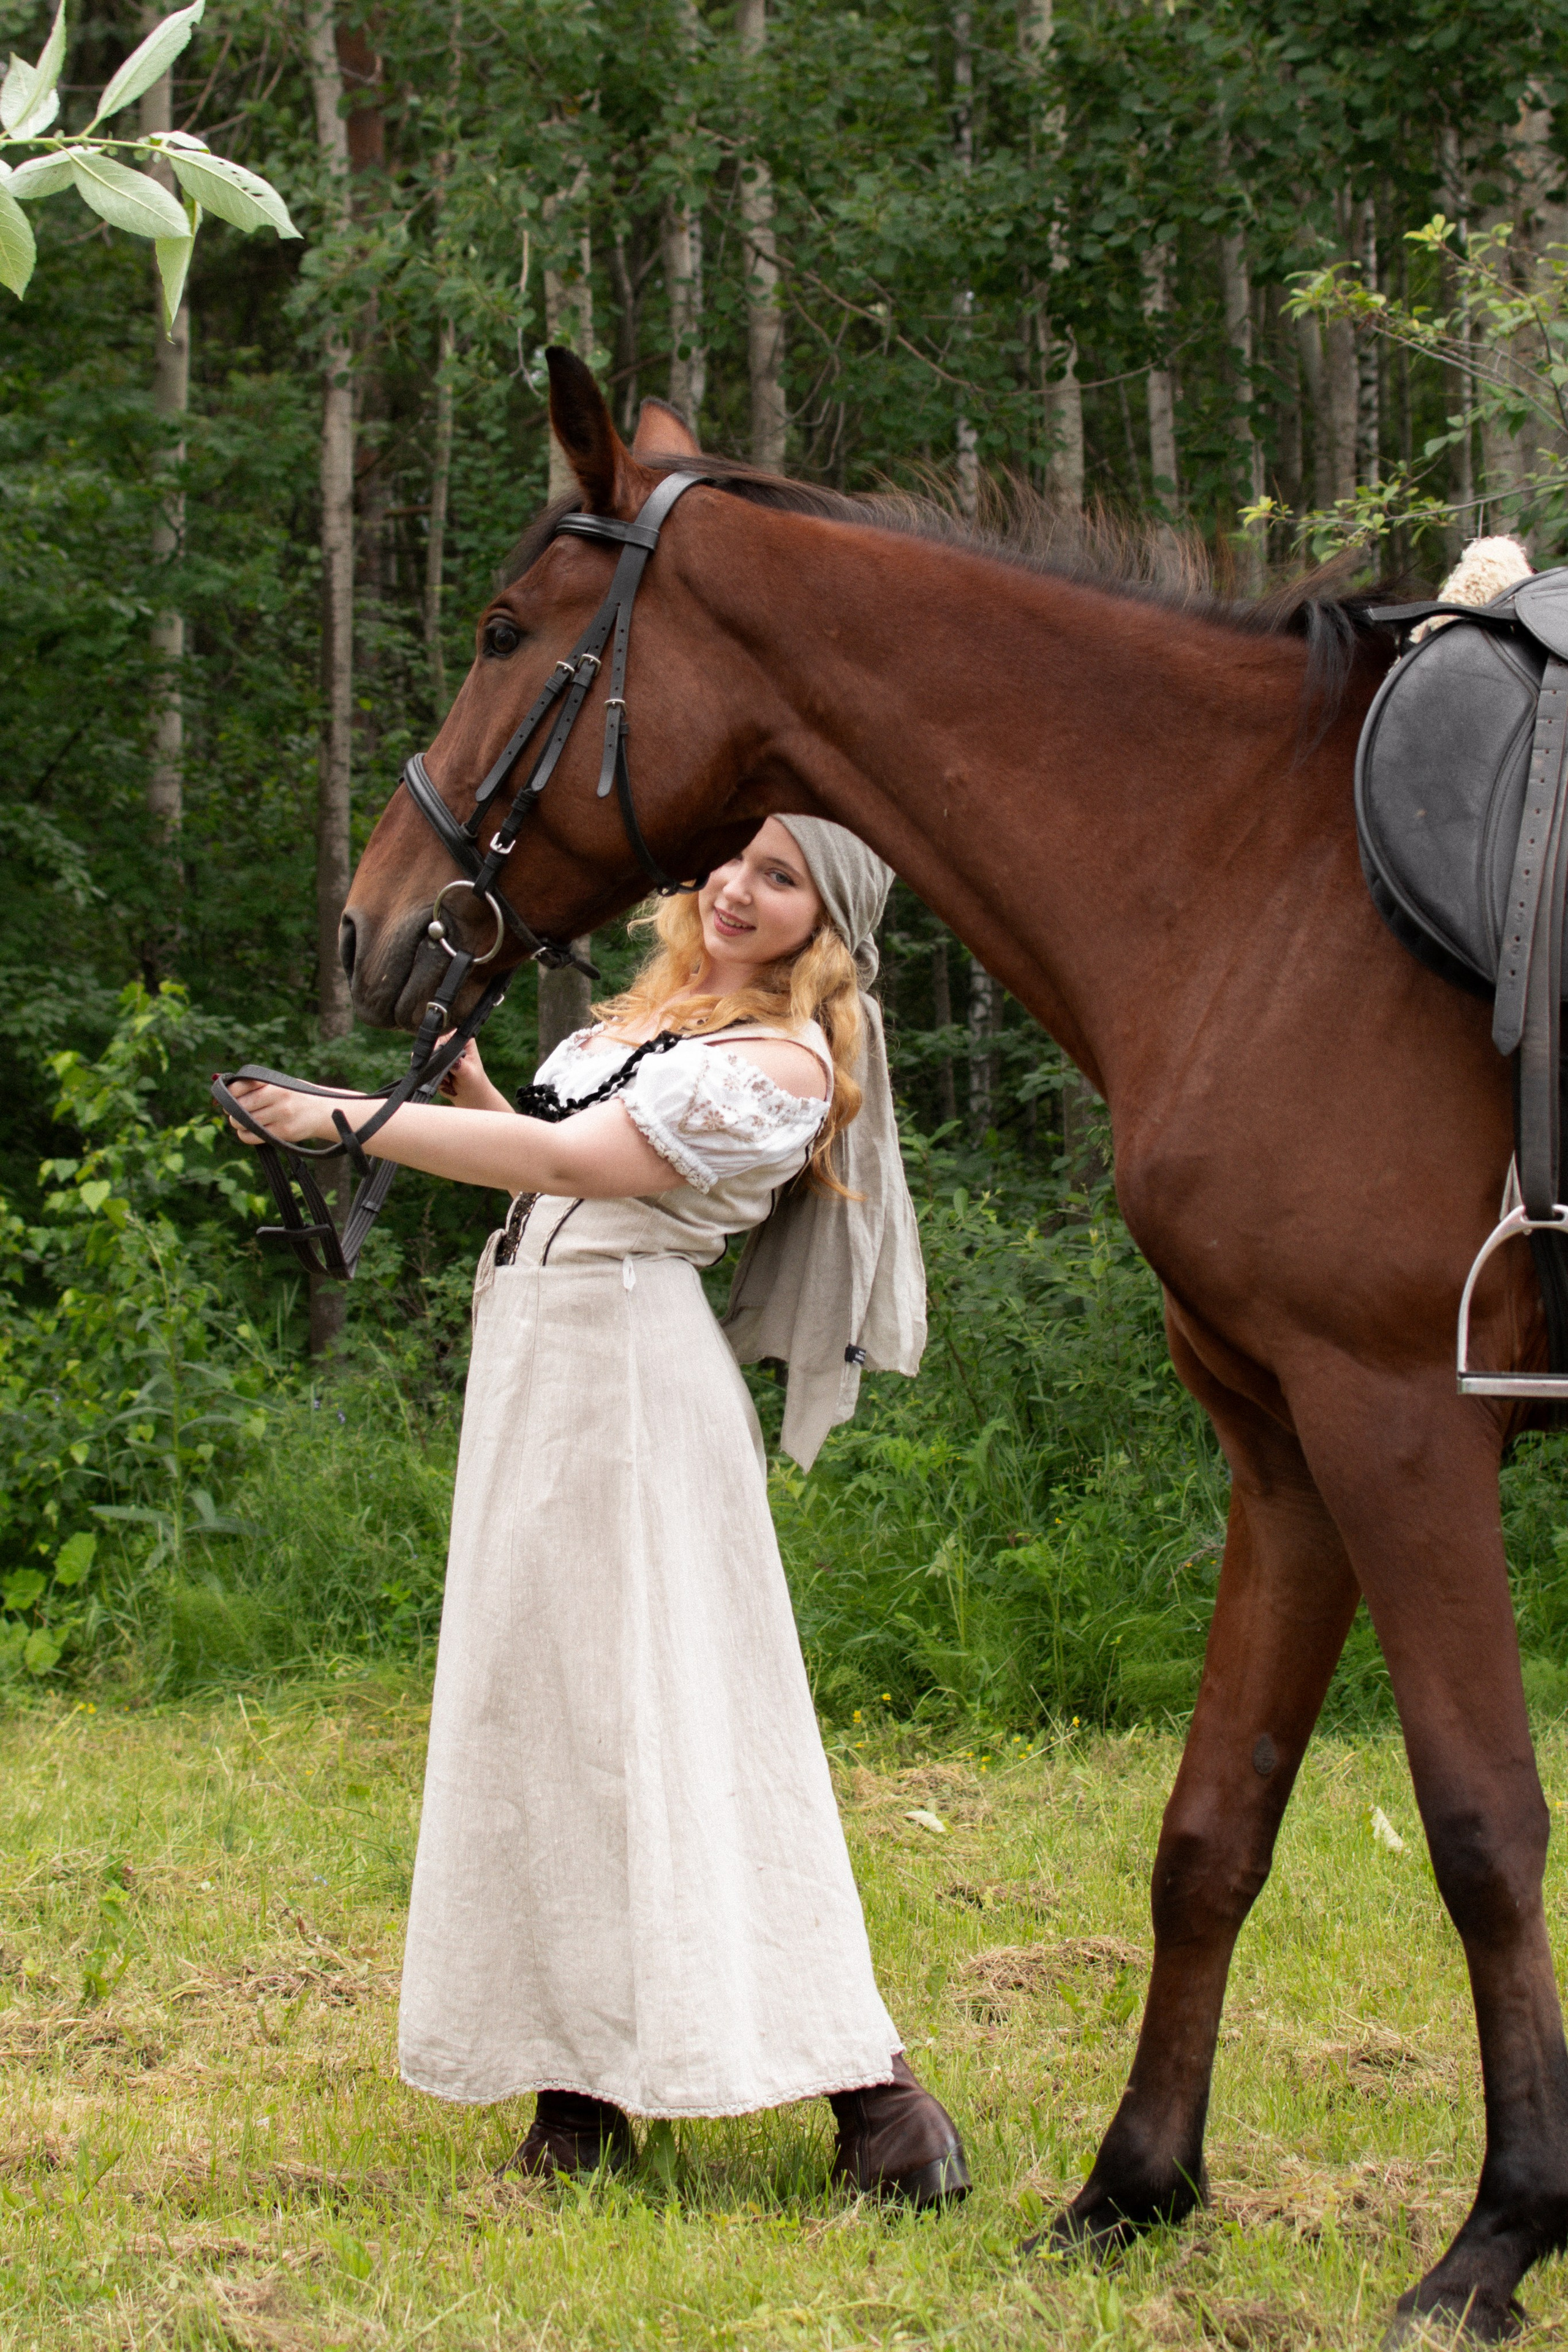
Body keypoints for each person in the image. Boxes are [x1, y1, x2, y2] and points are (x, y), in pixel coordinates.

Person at [228, 816, 970, 2204]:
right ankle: (576, 2102)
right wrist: (472, 1085)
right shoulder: (647, 1027)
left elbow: (584, 1176)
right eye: (730, 865)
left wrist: (344, 1119)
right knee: (547, 1714)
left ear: (825, 921)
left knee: (669, 1718)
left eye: (779, 878)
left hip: (633, 1387)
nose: (736, 893)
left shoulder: (776, 1065)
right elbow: (546, 1154)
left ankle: (880, 2105)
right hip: (542, 1368)